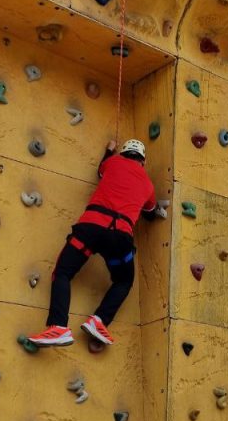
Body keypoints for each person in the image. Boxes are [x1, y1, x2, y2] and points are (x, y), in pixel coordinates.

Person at [28, 138, 167, 348]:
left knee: (63, 273)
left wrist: (109, 150)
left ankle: (58, 327)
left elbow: (100, 171)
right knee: (124, 281)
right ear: (143, 161)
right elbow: (149, 213)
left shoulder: (113, 162)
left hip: (90, 228)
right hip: (119, 237)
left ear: (123, 153)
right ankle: (99, 321)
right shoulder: (148, 185)